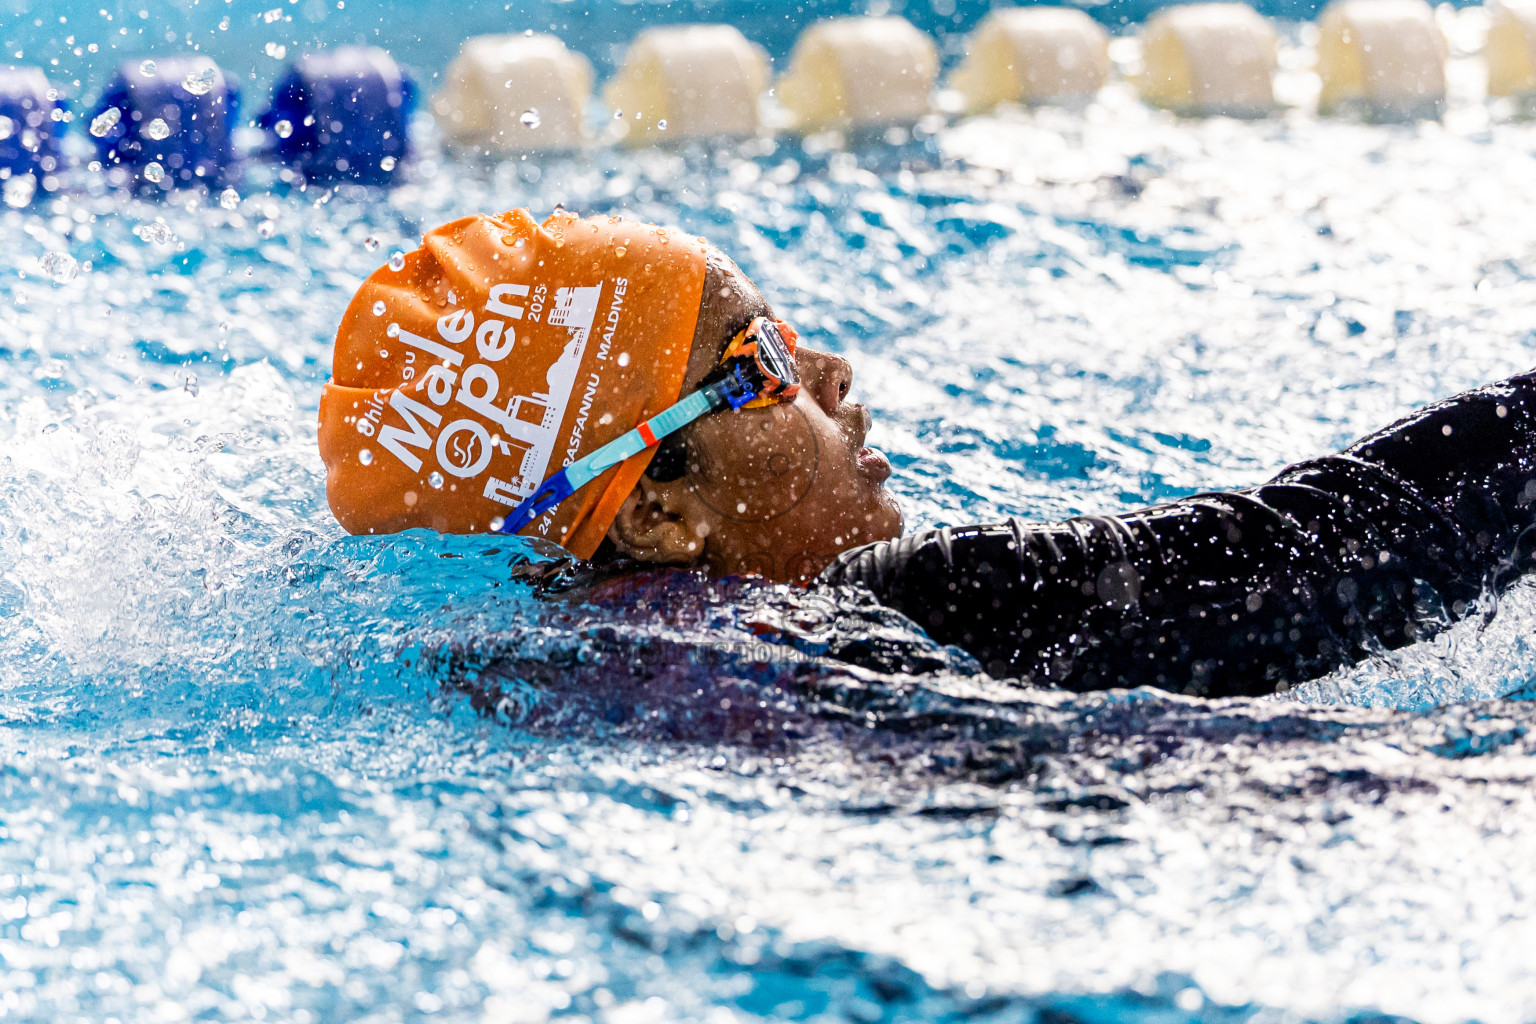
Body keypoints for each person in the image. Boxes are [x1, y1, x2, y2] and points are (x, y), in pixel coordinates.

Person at [319, 209, 1536, 698]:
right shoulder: (874, 618)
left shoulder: (575, 670)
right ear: (654, 516)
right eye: (759, 367)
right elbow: (1297, 553)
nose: (830, 375)